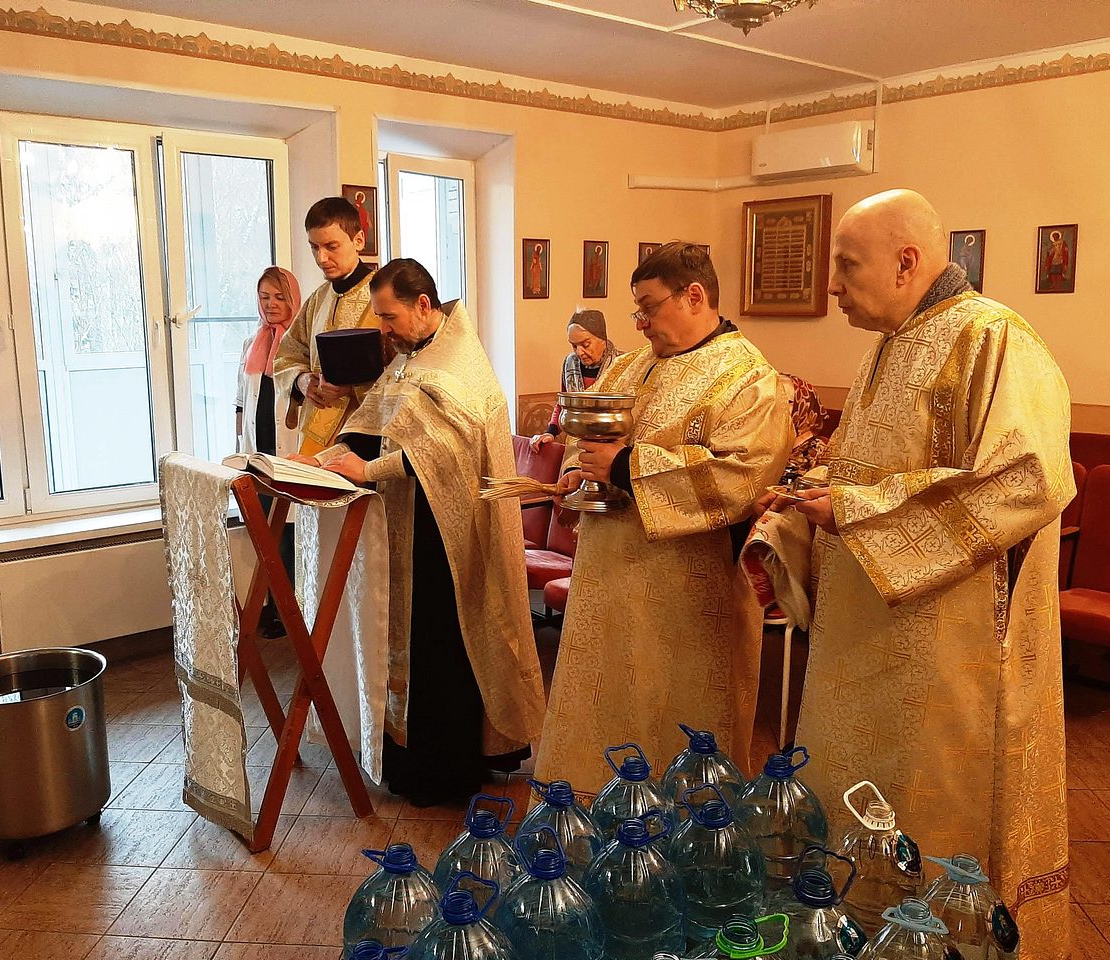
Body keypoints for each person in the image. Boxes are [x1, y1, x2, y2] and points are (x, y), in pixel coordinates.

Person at [763, 189, 1074, 959]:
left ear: (906, 262)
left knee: (929, 819)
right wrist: (806, 505)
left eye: (846, 265)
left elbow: (1027, 479)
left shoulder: (996, 339)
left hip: (946, 656)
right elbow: (869, 474)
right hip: (861, 639)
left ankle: (933, 938)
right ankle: (855, 927)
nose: (832, 285)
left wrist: (855, 508)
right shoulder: (889, 343)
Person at [536, 242, 793, 798]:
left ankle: (688, 836)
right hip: (606, 584)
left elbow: (744, 475)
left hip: (689, 601)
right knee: (604, 713)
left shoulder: (749, 378)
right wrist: (579, 468)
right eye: (638, 310)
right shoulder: (631, 364)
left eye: (649, 308)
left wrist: (626, 466)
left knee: (677, 726)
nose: (641, 322)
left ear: (694, 296)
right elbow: (589, 436)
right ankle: (591, 823)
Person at [319, 258, 545, 807]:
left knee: (442, 644)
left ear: (423, 305)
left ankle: (443, 772)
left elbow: (444, 451)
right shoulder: (412, 355)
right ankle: (406, 758)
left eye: (389, 316)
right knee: (410, 642)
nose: (384, 329)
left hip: (450, 534)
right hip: (410, 520)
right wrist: (333, 455)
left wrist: (369, 470)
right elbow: (376, 421)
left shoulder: (458, 362)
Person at [274, 197, 380, 455]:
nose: (321, 258)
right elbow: (287, 354)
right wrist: (302, 381)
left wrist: (353, 389)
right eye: (314, 247)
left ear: (358, 240)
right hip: (313, 434)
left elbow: (403, 368)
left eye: (331, 246)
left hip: (363, 437)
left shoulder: (384, 296)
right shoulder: (319, 298)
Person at [235, 265, 303, 638]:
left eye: (279, 297)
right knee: (266, 537)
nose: (271, 304)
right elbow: (240, 402)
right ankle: (275, 610)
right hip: (256, 456)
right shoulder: (251, 343)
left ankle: (295, 614)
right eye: (265, 297)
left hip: (288, 456)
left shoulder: (301, 345)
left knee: (291, 537)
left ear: (293, 299)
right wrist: (238, 448)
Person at [530, 309, 620, 452]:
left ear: (603, 340)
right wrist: (550, 432)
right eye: (574, 346)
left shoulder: (622, 364)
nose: (579, 352)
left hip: (611, 449)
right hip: (575, 446)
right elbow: (564, 403)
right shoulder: (570, 362)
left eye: (585, 344)